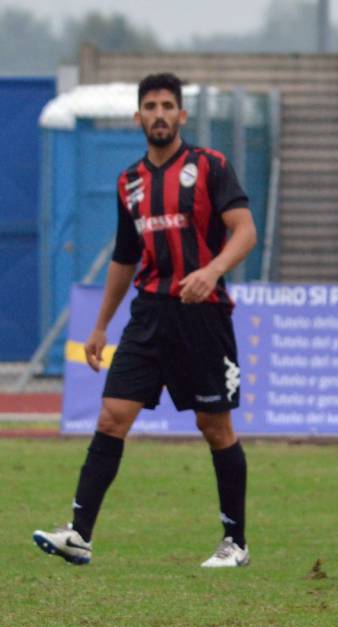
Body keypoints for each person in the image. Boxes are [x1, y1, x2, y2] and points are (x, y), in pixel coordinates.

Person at [33, 72, 257, 568]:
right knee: (112, 416)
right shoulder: (128, 182)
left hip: (203, 314)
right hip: (148, 314)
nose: (158, 114)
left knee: (214, 425)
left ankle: (235, 543)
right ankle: (79, 534)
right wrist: (98, 327)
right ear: (138, 118)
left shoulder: (211, 166)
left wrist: (212, 270)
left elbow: (245, 232)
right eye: (150, 106)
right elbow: (124, 257)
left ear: (181, 115)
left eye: (167, 106)